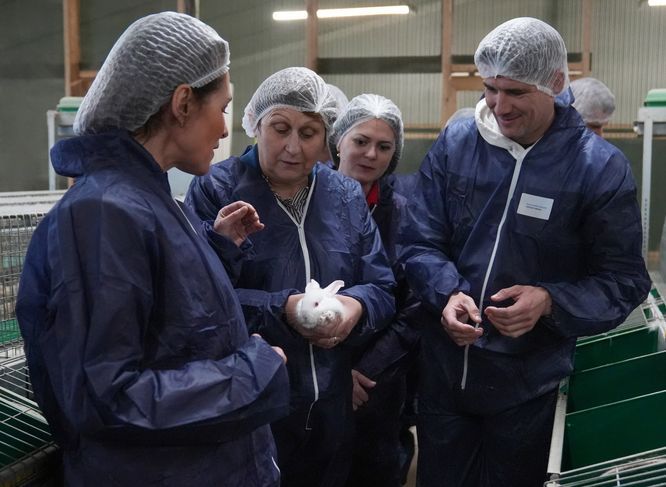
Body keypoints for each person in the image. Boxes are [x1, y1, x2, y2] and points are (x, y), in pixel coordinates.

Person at [15, 12, 290, 486]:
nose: (225, 130)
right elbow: (108, 397)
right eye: (222, 108)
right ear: (182, 103)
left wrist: (216, 248)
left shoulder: (151, 201)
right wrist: (254, 372)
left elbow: (171, 325)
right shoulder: (104, 214)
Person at [398, 17, 651, 487]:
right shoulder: (458, 143)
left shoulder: (596, 168)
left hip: (527, 388)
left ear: (554, 83)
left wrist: (550, 301)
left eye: (515, 91)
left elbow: (623, 279)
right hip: (445, 376)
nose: (499, 105)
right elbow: (419, 238)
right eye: (490, 88)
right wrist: (446, 293)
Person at [185, 67, 396, 487]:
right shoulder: (218, 189)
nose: (293, 147)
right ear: (256, 124)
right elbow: (199, 300)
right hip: (254, 404)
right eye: (280, 129)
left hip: (333, 405)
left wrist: (355, 307)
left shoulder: (344, 195)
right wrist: (284, 309)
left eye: (309, 133)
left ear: (327, 137)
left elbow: (382, 287)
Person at [328, 94, 420, 487]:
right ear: (338, 141)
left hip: (377, 386)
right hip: (312, 380)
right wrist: (334, 375)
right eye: (361, 141)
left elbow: (414, 306)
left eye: (384, 147)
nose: (371, 154)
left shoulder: (404, 216)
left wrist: (365, 371)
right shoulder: (302, 204)